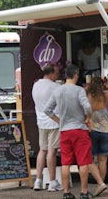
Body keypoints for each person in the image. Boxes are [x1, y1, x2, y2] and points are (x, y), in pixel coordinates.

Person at [44, 64, 95, 199]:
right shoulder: (79, 90)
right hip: (79, 130)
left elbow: (47, 109)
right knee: (83, 162)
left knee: (65, 163)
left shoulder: (57, 91)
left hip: (65, 131)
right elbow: (88, 107)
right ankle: (84, 192)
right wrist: (88, 118)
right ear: (76, 75)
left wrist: (59, 121)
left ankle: (66, 193)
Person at [86, 77, 108, 197]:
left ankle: (100, 183)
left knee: (89, 159)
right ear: (101, 86)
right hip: (106, 131)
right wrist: (106, 86)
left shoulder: (87, 97)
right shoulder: (105, 96)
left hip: (92, 131)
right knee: (103, 160)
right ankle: (100, 185)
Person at [31, 63, 63, 191]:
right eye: (56, 73)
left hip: (41, 121)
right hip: (54, 122)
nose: (58, 75)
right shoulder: (55, 86)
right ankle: (52, 181)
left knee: (42, 150)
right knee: (52, 151)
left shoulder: (36, 84)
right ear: (51, 73)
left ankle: (38, 180)